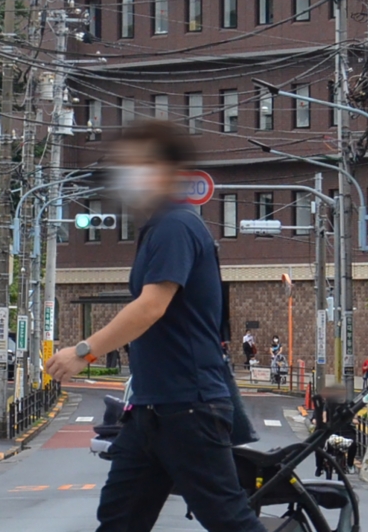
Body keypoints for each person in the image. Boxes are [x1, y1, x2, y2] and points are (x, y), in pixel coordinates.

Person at [44, 119, 265, 532]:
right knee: (119, 519)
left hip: (188, 406)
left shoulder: (177, 226)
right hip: (151, 410)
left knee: (229, 520)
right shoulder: (157, 229)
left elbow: (150, 307)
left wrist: (82, 352)